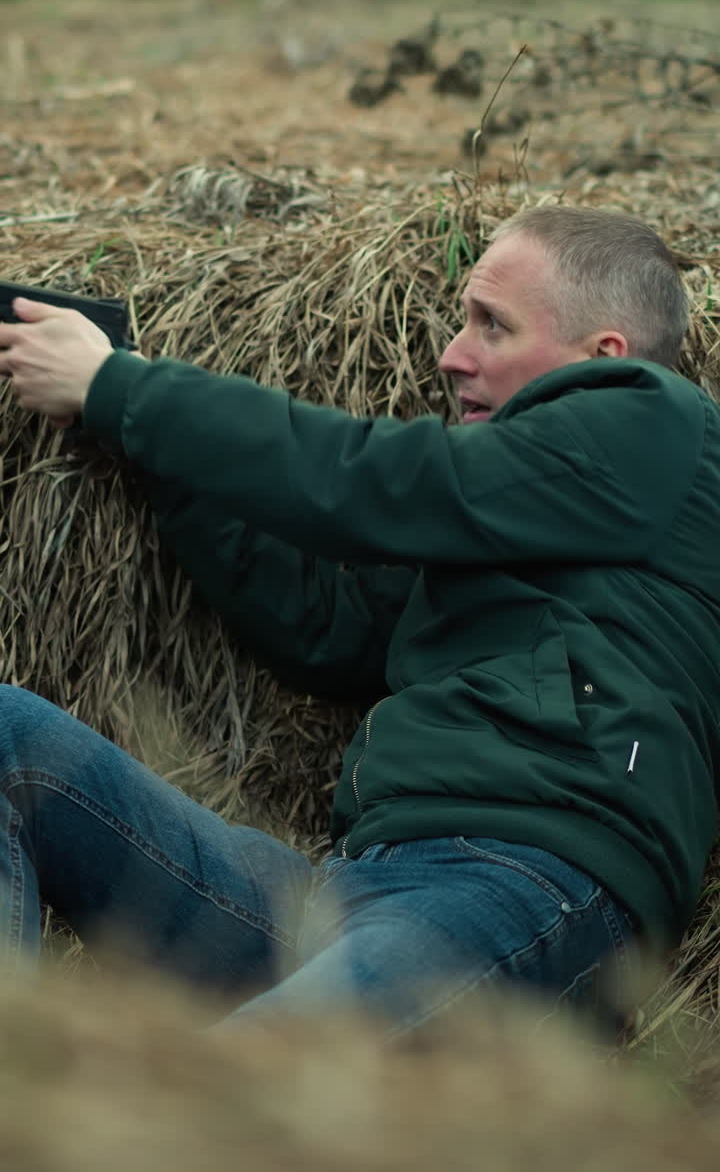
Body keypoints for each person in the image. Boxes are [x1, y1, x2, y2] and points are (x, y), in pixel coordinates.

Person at [0, 204, 717, 1044]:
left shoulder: (655, 420)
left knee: (234, 1086)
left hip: (524, 884)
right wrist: (145, 435)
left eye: (493, 325)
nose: (453, 355)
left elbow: (379, 482)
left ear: (604, 354)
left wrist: (120, 389)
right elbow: (323, 626)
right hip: (347, 897)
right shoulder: (509, 521)